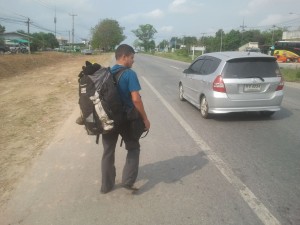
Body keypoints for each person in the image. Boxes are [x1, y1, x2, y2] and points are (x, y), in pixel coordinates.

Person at [100, 44, 150, 193]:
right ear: (124, 57)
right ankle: (128, 181)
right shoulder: (129, 74)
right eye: (132, 58)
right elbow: (136, 99)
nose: (133, 61)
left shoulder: (106, 73)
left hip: (108, 119)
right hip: (126, 120)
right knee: (133, 148)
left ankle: (106, 186)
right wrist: (145, 119)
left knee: (108, 151)